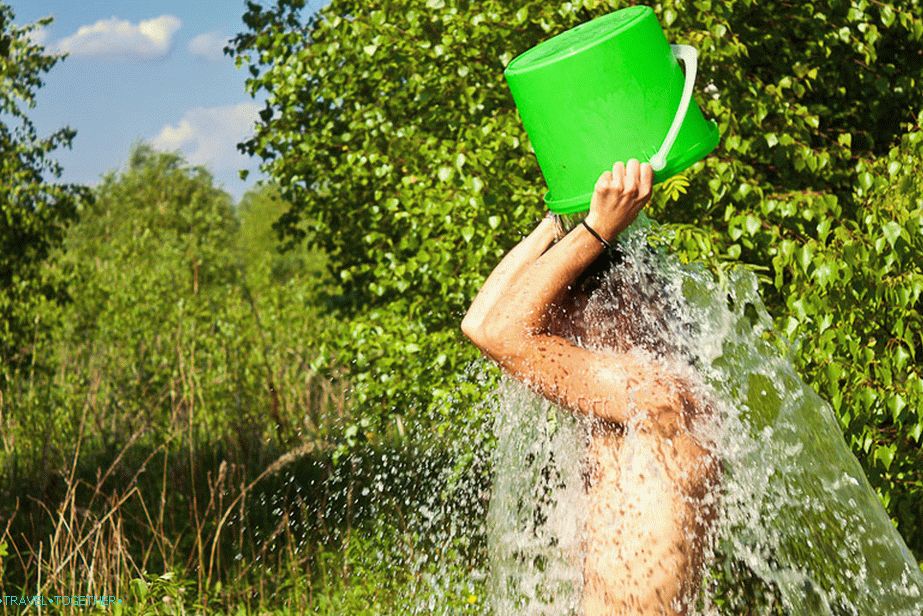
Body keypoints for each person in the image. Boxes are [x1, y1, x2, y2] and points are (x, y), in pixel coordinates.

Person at [461, 159, 721, 615]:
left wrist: (598, 230)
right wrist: (559, 217)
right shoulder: (635, 400)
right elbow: (479, 322)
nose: (554, 331)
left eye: (560, 313)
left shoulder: (656, 395)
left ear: (610, 309)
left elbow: (498, 332)